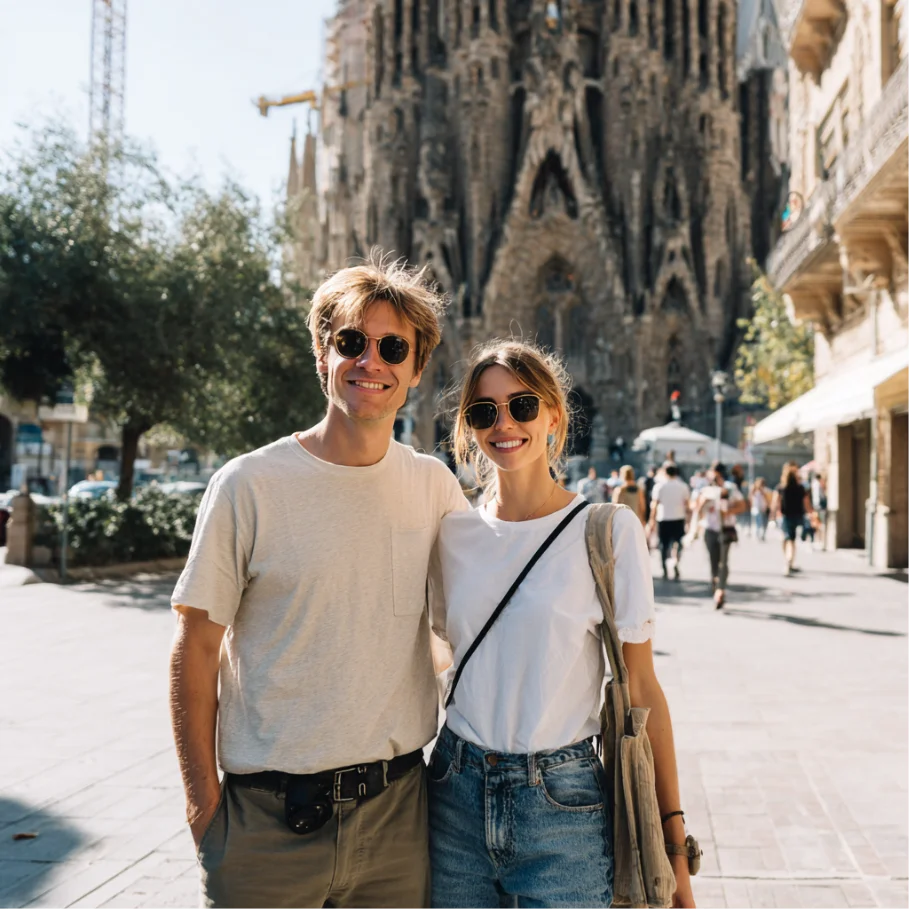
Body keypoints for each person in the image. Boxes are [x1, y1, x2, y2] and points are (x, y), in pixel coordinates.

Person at [168, 254, 467, 911]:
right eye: (351, 342)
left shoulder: (435, 488)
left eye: (393, 347)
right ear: (322, 352)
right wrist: (204, 811)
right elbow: (193, 646)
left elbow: (479, 620)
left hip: (395, 820)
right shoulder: (248, 484)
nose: (371, 362)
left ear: (416, 370)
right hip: (265, 824)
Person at [428, 340, 695, 911]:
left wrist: (675, 850)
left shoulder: (607, 530)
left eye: (522, 406)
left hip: (562, 800)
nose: (504, 424)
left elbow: (643, 691)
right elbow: (441, 659)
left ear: (553, 415)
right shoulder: (452, 535)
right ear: (468, 427)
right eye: (484, 411)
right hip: (455, 792)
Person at [694, 462, 746, 609]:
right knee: (713, 561)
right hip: (710, 529)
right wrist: (703, 502)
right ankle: (715, 584)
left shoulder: (730, 489)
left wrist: (728, 511)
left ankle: (720, 590)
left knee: (723, 561)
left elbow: (742, 505)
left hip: (726, 528)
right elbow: (697, 509)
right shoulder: (706, 490)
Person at [648, 463, 691, 580]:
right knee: (677, 543)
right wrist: (689, 520)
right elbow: (687, 505)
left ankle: (664, 568)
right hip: (678, 518)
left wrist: (652, 520)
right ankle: (676, 561)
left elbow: (654, 505)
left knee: (664, 544)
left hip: (663, 518)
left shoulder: (659, 486)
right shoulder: (683, 486)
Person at [771, 462, 812, 575]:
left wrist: (773, 515)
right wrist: (811, 514)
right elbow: (806, 502)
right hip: (797, 516)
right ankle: (789, 561)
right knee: (790, 539)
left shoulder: (780, 488)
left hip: (785, 517)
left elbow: (775, 503)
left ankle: (788, 561)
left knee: (787, 539)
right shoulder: (801, 488)